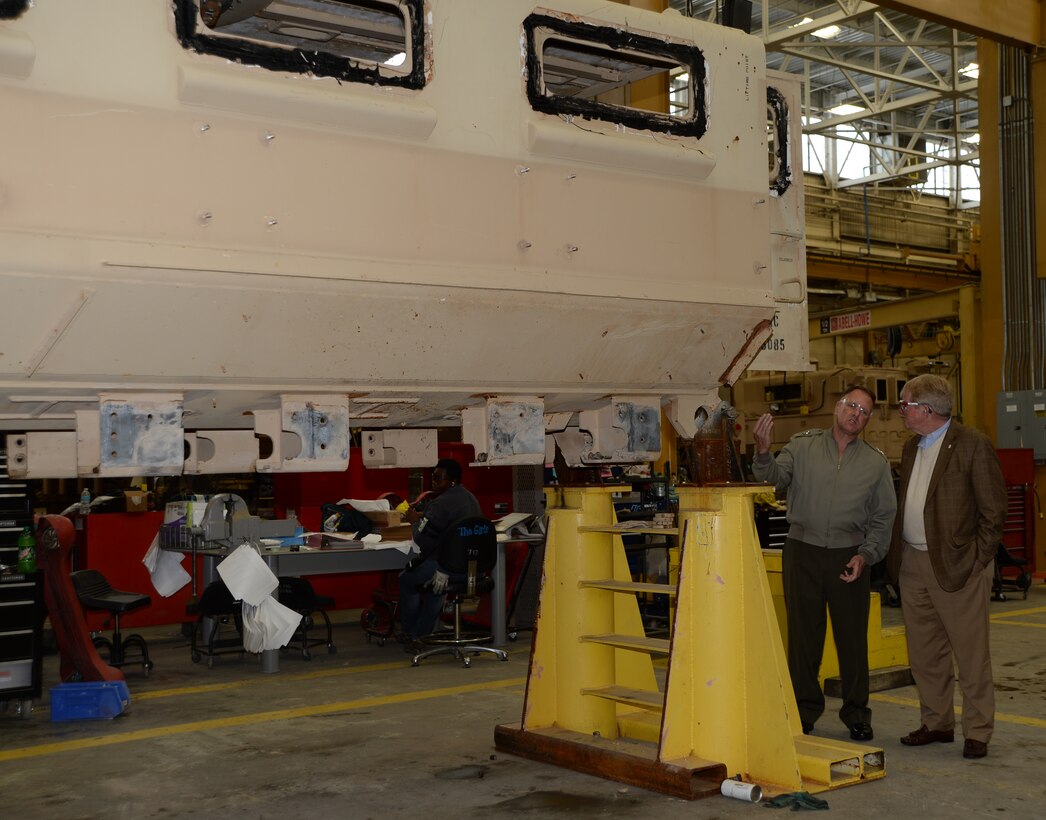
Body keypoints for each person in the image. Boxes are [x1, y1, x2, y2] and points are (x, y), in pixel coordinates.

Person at [751, 386, 896, 741]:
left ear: (869, 420)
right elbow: (770, 479)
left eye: (863, 412)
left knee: (852, 641)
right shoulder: (802, 446)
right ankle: (803, 711)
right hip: (803, 551)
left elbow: (883, 518)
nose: (855, 415)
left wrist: (866, 555)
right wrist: (763, 450)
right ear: (837, 407)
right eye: (851, 407)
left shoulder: (875, 463)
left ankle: (857, 713)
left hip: (850, 556)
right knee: (804, 638)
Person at [886, 374, 1006, 760]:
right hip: (913, 563)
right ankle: (937, 723)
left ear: (926, 410)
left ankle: (978, 732)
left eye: (905, 405)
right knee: (925, 652)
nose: (901, 411)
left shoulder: (973, 445)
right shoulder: (911, 447)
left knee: (970, 653)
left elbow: (993, 510)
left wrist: (978, 561)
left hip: (958, 566)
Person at [398, 458, 481, 652]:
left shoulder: (440, 503)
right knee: (436, 586)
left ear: (452, 480)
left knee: (407, 580)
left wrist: (413, 521)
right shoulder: (471, 498)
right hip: (470, 569)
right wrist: (423, 518)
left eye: (439, 478)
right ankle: (422, 634)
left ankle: (411, 633)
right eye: (433, 478)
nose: (434, 482)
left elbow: (421, 539)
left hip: (446, 569)